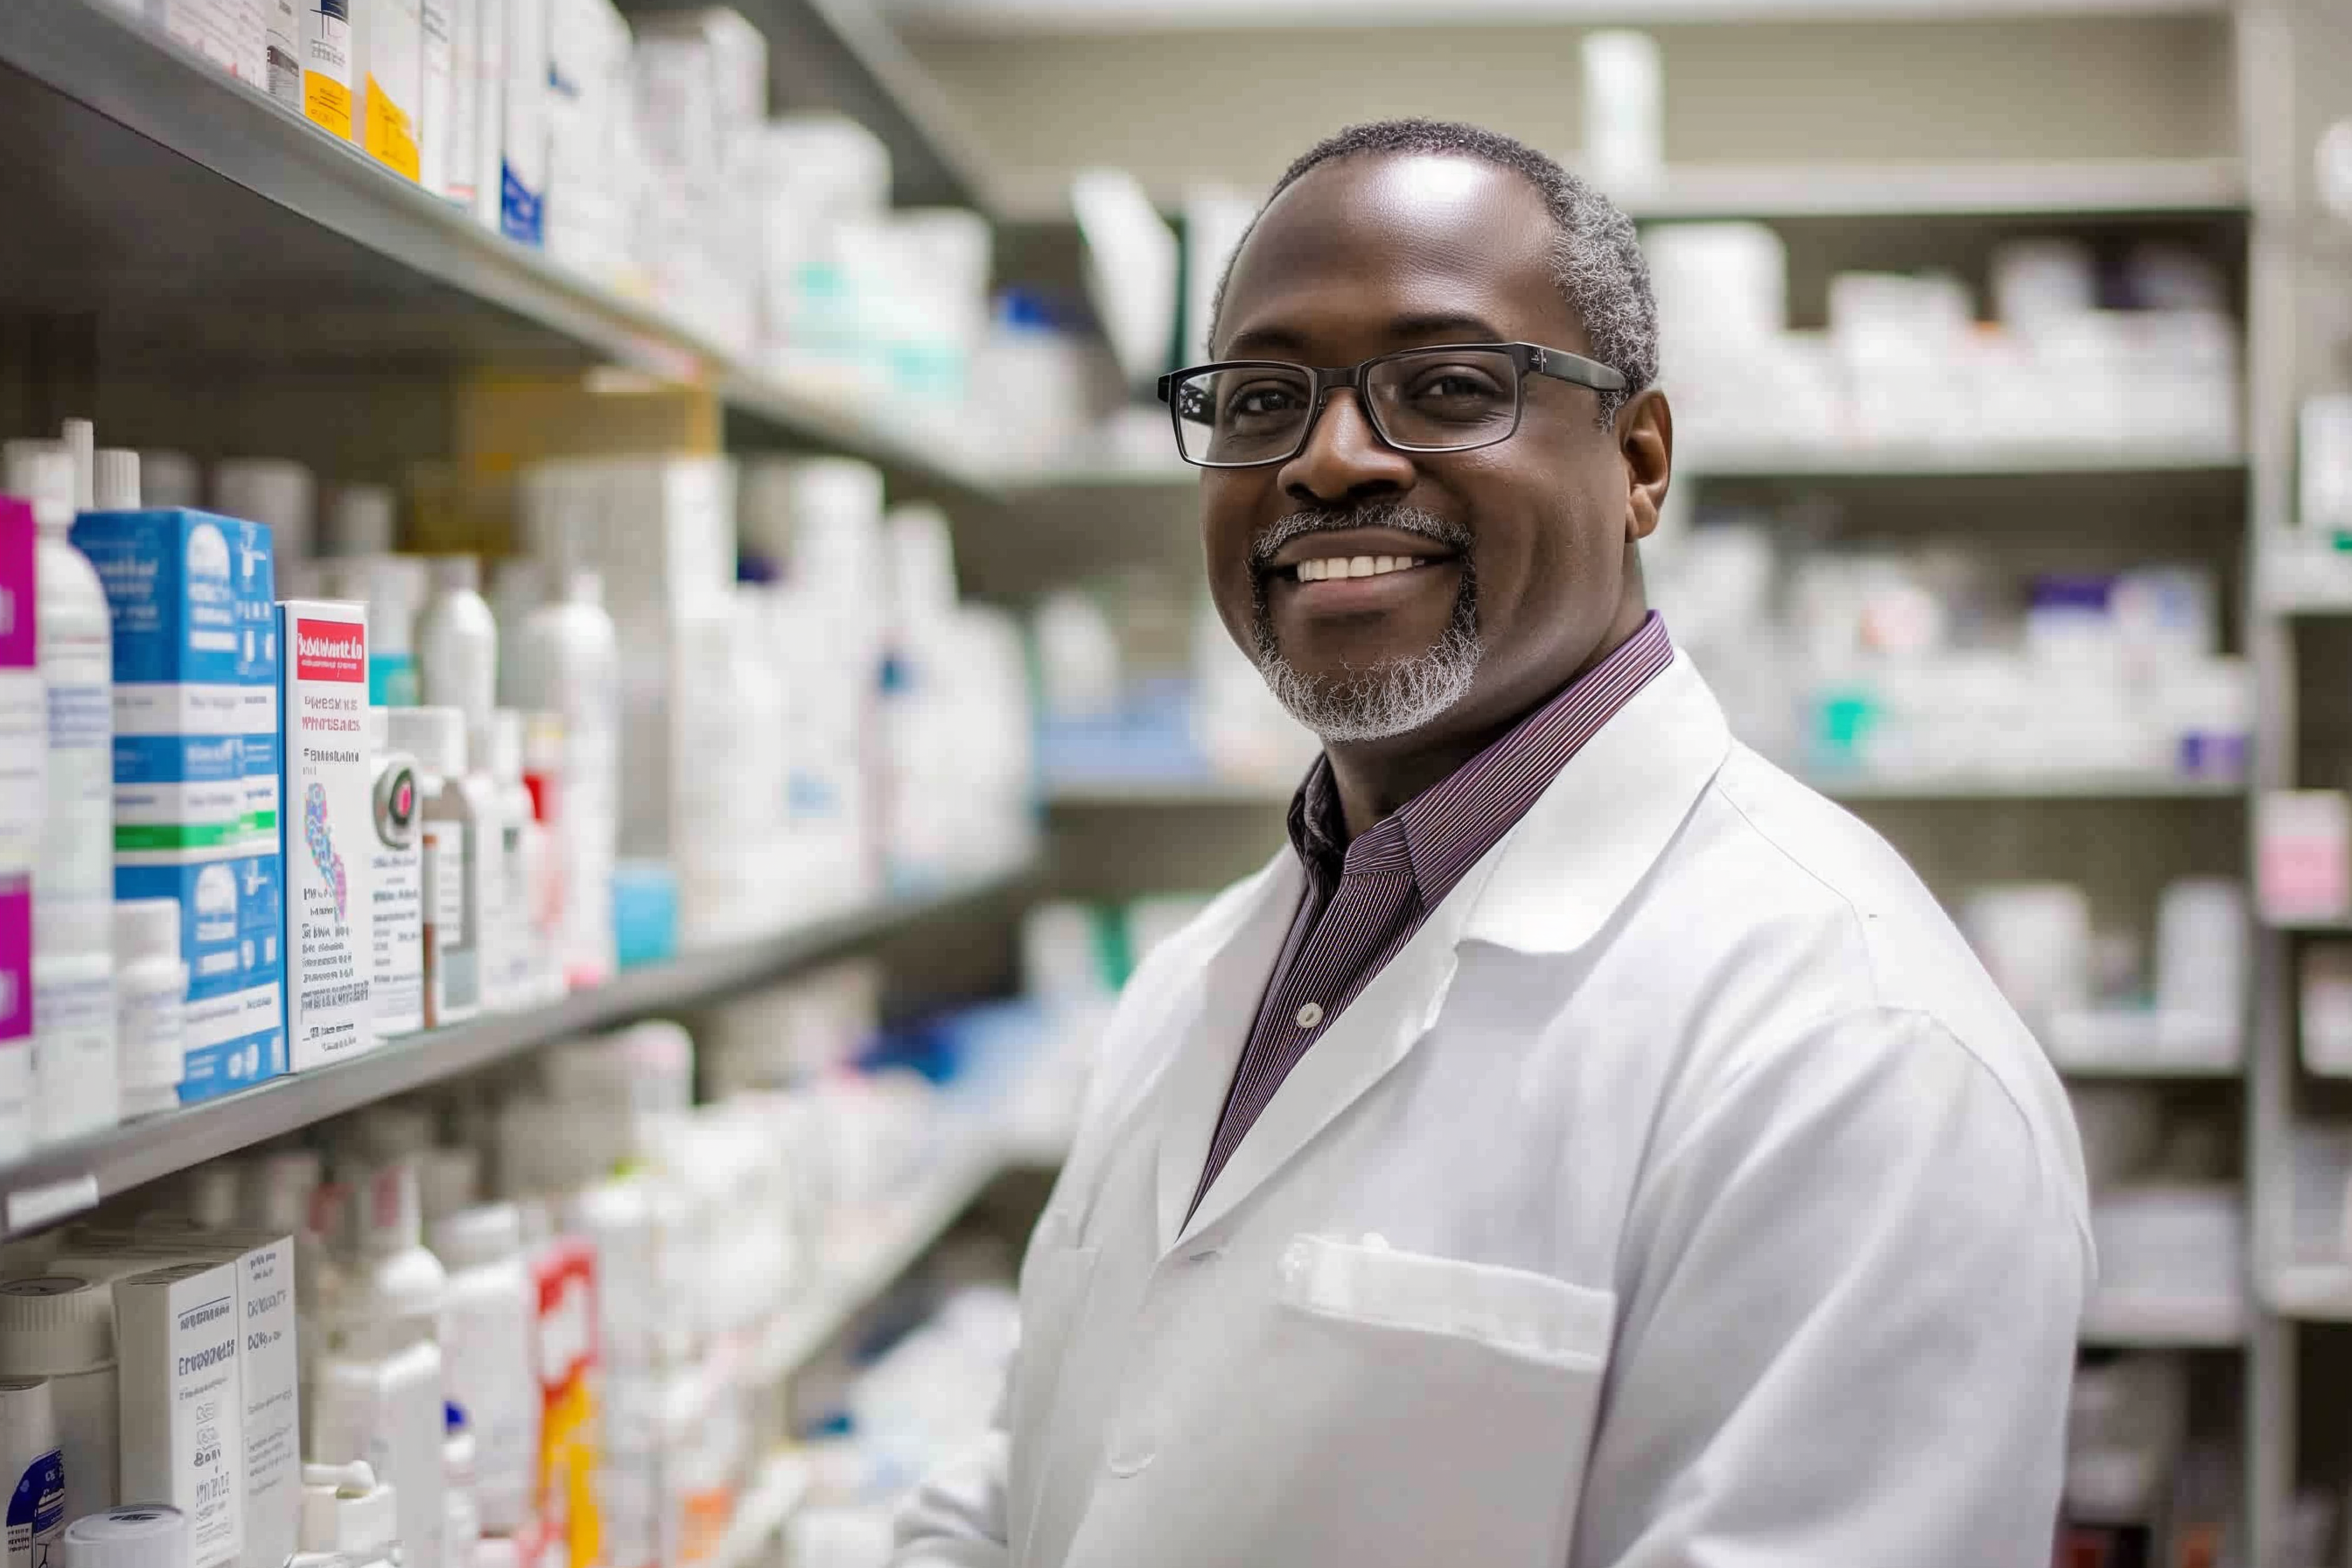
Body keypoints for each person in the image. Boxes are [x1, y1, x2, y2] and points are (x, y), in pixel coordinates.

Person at [893, 118, 2090, 1568]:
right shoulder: (1199, 983)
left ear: (1640, 461)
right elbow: (1043, 1476)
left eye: (1446, 386)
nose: (1327, 462)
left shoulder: (1858, 1054)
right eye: (1262, 399)